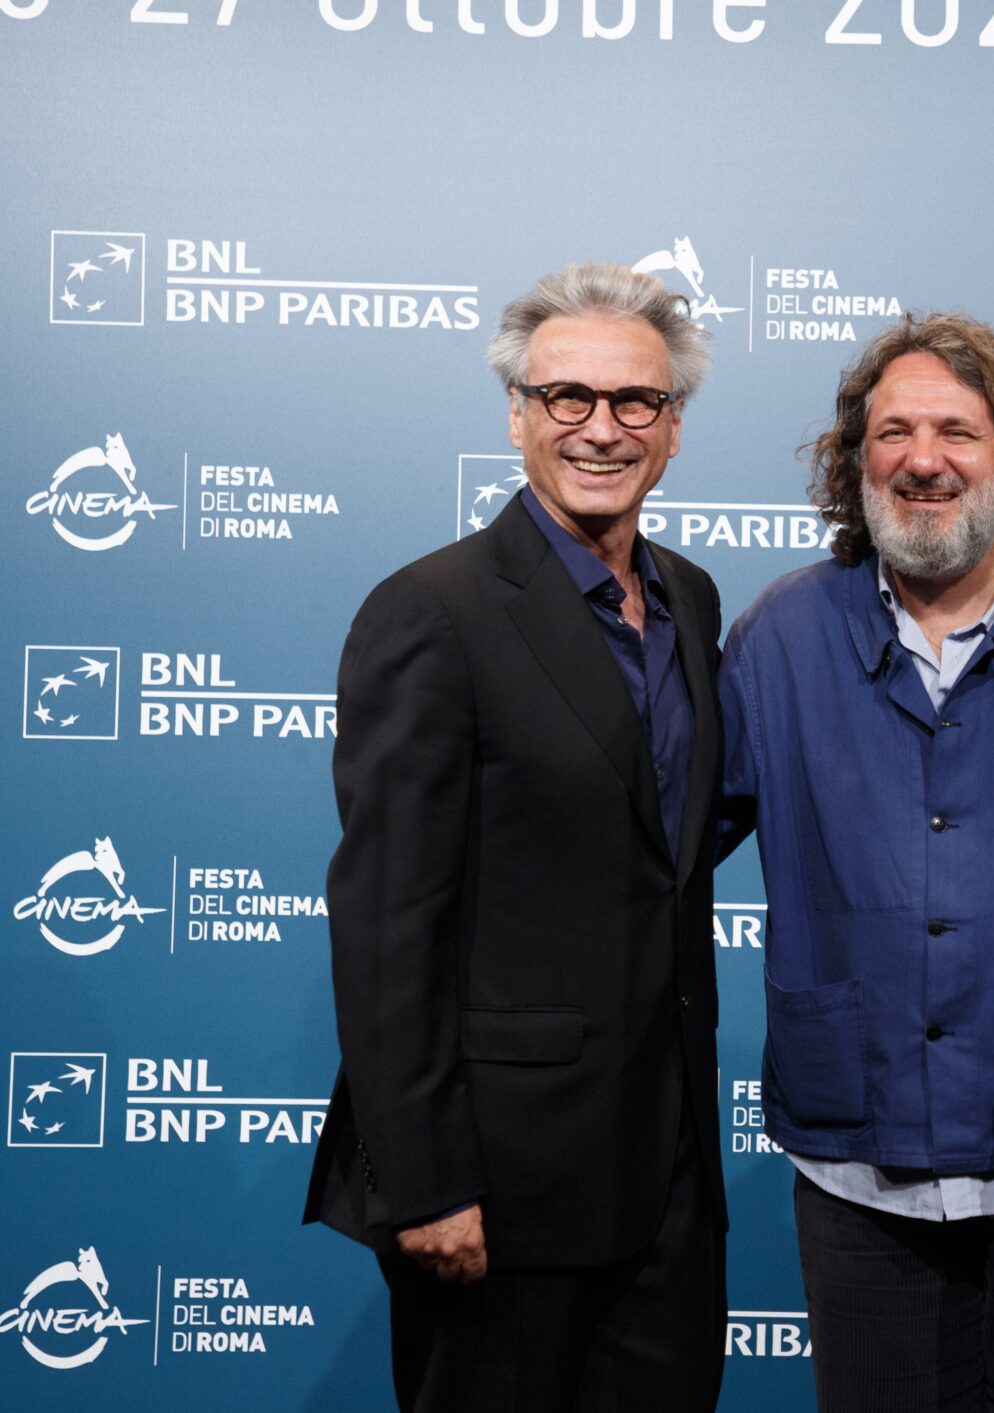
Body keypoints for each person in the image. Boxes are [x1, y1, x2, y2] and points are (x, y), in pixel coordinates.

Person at [718, 312, 994, 1412]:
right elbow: (660, 857)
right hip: (855, 1168)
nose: (923, 460)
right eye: (892, 432)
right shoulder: (780, 631)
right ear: (854, 460)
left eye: (956, 431)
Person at [304, 262, 728, 1412]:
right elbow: (389, 920)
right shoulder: (431, 611)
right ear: (517, 415)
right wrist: (427, 1182)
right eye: (566, 399)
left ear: (675, 426)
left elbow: (662, 841)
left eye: (634, 401)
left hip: (670, 1177)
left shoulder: (690, 598)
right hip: (497, 1186)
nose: (601, 429)